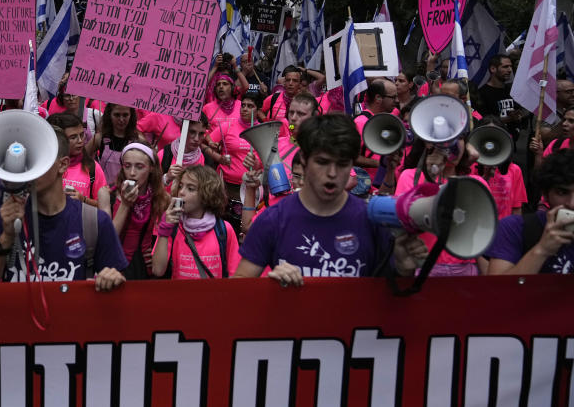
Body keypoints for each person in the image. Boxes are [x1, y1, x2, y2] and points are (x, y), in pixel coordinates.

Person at [232, 112, 427, 285]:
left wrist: (404, 269)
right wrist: (270, 284)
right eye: (322, 162)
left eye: (342, 164)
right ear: (304, 162)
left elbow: (391, 297)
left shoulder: (371, 221)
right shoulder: (273, 219)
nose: (332, 173)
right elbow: (237, 287)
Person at [0, 124, 128, 288]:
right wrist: (6, 238)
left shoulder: (94, 221)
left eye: (38, 159)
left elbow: (118, 285)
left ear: (63, 165)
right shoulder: (4, 212)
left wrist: (111, 278)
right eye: (27, 159)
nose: (29, 168)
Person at [395, 130, 486, 275]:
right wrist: (430, 176)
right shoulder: (409, 177)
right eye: (448, 138)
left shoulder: (475, 184)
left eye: (461, 138)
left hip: (465, 270)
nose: (455, 144)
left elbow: (482, 232)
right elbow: (402, 226)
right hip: (424, 268)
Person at [487, 147, 574, 274]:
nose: (571, 204)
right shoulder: (515, 228)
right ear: (545, 193)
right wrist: (542, 250)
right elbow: (498, 289)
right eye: (562, 192)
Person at [152, 165, 241, 279]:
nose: (181, 192)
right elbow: (158, 270)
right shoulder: (173, 227)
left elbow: (235, 273)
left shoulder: (224, 229)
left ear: (207, 194)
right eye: (180, 186)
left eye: (190, 188)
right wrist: (164, 231)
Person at [111, 143, 170, 279]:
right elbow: (108, 238)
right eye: (127, 166)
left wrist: (154, 249)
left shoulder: (160, 197)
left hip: (143, 265)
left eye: (139, 167)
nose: (132, 173)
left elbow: (166, 234)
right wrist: (125, 204)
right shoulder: (108, 194)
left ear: (151, 168)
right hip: (115, 265)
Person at [47, 113, 110, 211]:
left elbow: (103, 206)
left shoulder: (92, 167)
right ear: (58, 139)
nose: (80, 141)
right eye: (73, 137)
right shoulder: (46, 167)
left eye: (82, 135)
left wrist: (83, 199)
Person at [88, 103, 142, 185]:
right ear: (109, 115)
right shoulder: (99, 138)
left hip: (127, 193)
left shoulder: (138, 140)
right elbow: (81, 158)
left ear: (131, 116)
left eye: (125, 115)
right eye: (117, 115)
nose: (121, 119)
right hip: (102, 192)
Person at [477, 54, 524, 139]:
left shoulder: (511, 91)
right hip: (491, 141)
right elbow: (481, 120)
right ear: (493, 69)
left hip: (510, 142)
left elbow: (519, 111)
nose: (510, 70)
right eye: (505, 67)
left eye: (510, 66)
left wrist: (518, 115)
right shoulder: (482, 93)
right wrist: (508, 118)